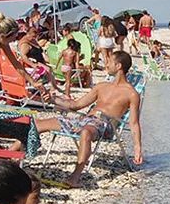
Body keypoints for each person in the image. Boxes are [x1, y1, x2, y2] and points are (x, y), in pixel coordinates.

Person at [35, 51, 142, 187]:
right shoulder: (101, 87)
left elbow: (134, 123)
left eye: (109, 62)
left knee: (85, 132)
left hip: (105, 125)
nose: (106, 64)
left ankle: (75, 177)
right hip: (85, 120)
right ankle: (13, 158)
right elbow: (76, 105)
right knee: (38, 124)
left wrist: (137, 147)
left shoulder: (132, 94)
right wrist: (53, 99)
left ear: (118, 65)